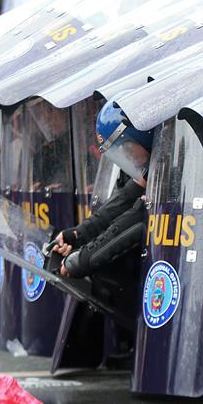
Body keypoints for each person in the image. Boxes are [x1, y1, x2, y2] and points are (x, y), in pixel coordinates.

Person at [53, 102, 151, 279]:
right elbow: (125, 199)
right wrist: (78, 234)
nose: (126, 156)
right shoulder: (148, 168)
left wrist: (84, 259)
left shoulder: (167, 162)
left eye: (126, 147)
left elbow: (137, 215)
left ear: (142, 134)